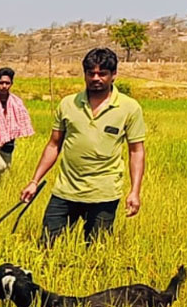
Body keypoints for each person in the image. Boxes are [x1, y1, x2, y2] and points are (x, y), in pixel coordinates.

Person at [20, 47, 146, 246]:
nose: (96, 78)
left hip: (104, 193)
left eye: (102, 73)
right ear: (85, 74)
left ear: (114, 75)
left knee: (95, 251)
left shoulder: (129, 108)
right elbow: (54, 145)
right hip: (65, 190)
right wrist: (34, 181)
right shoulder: (68, 104)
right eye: (91, 73)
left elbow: (136, 151)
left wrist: (134, 191)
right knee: (46, 246)